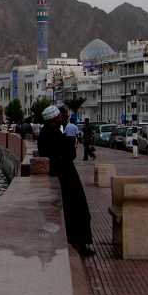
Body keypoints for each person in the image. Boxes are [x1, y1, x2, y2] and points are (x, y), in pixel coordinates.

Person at [37, 104, 93, 256]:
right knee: (77, 211)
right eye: (60, 117)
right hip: (66, 178)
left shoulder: (47, 133)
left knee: (75, 212)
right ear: (54, 119)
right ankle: (79, 245)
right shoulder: (53, 134)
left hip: (63, 176)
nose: (62, 119)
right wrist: (70, 144)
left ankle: (79, 244)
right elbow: (70, 153)